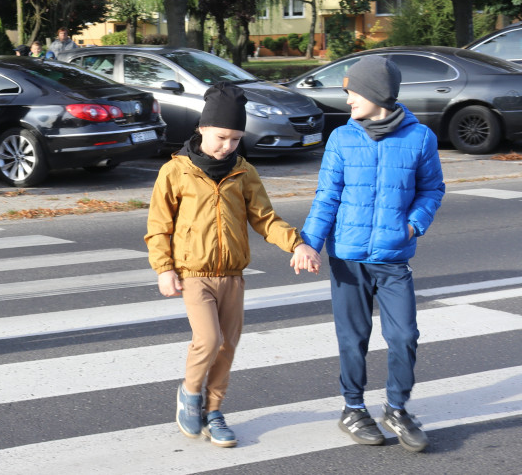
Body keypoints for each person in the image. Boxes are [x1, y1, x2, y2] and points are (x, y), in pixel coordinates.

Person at [145, 83, 319, 448]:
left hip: (233, 277)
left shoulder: (244, 172)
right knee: (209, 340)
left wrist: (297, 244)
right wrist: (164, 268)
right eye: (222, 137)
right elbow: (159, 226)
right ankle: (190, 394)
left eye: (236, 139)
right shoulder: (175, 172)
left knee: (228, 347)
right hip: (194, 274)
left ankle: (214, 410)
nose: (227, 145)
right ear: (202, 128)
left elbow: (265, 218)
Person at [299, 55, 444, 453]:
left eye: (353, 92)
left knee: (404, 335)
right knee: (353, 337)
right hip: (347, 258)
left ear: (378, 93)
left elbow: (432, 189)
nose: (348, 101)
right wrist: (308, 242)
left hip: (393, 257)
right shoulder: (342, 139)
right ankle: (352, 408)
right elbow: (326, 196)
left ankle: (397, 408)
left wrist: (413, 224)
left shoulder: (420, 138)